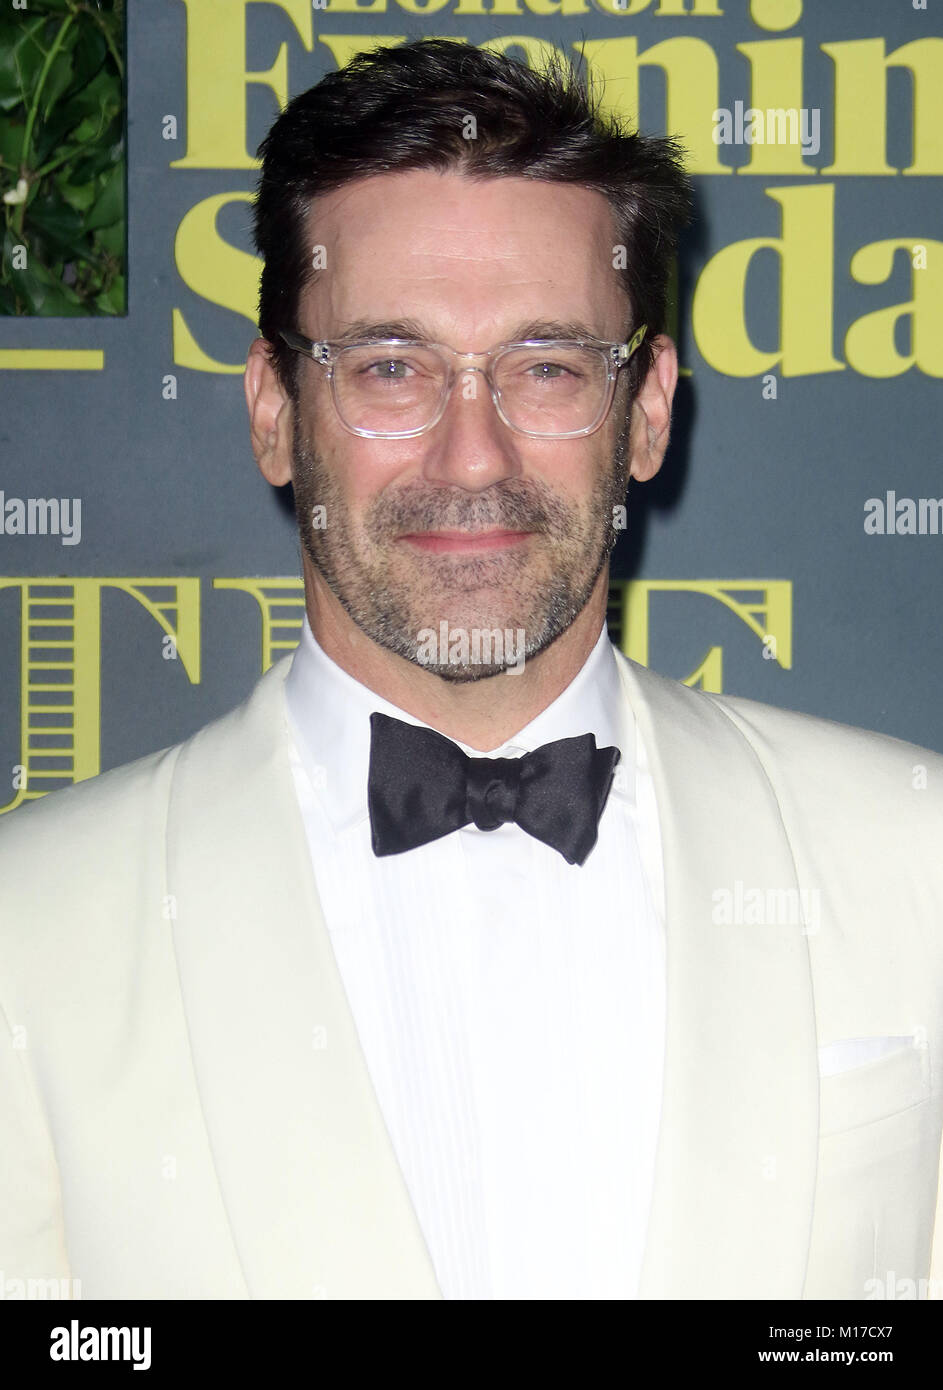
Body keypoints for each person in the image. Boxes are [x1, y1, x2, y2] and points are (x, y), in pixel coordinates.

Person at [2, 38, 942, 1303]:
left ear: (648, 407)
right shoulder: (32, 929)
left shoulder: (914, 858)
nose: (474, 454)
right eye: (390, 367)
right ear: (274, 408)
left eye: (546, 367)